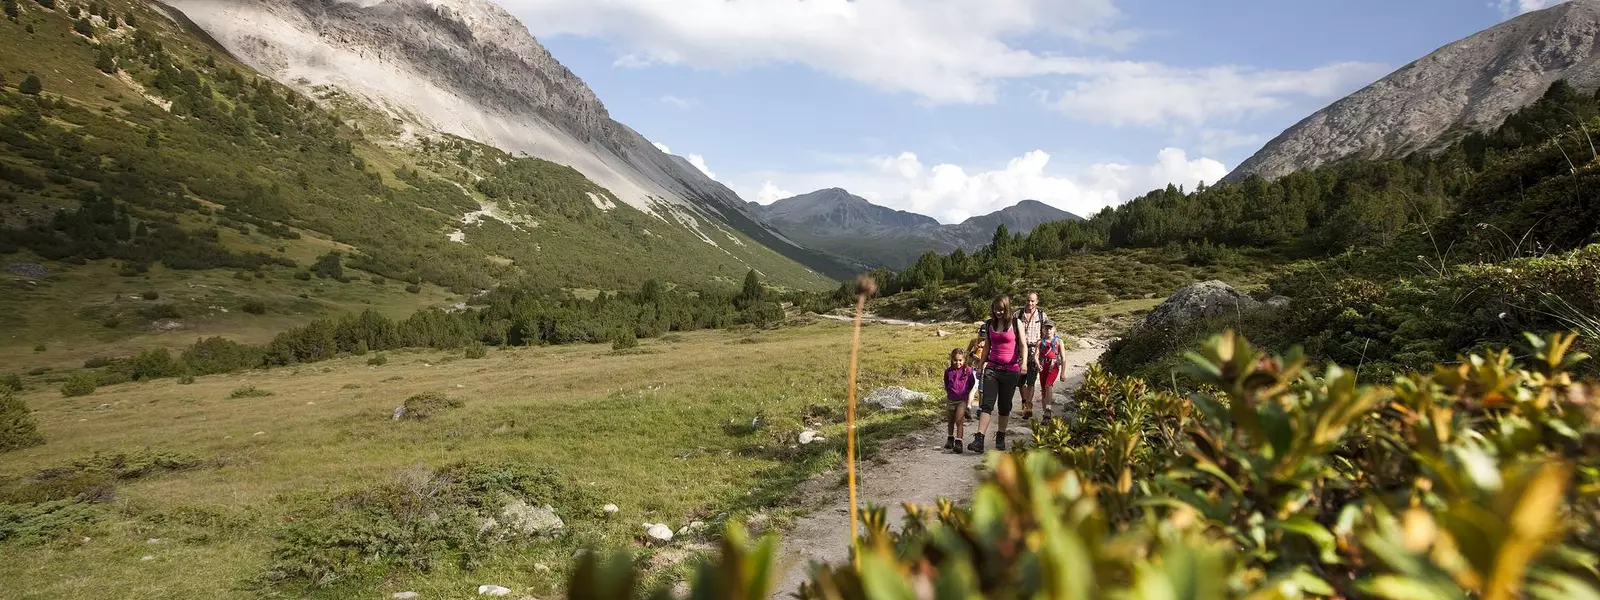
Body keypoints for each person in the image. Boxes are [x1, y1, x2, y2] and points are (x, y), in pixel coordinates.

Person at [968, 294, 1030, 453]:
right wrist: (981, 365)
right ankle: (979, 439)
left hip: (1010, 370)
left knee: (1004, 406)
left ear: (1007, 309)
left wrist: (1023, 363)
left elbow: (1023, 345)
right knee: (986, 404)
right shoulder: (990, 324)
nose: (998, 313)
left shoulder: (1016, 324)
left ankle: (1001, 435)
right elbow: (987, 347)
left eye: (1001, 310)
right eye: (995, 310)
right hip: (992, 369)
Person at [1014, 292, 1049, 421]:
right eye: (1028, 300)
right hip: (1019, 350)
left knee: (1031, 380)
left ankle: (1028, 406)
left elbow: (1046, 332)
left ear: (1037, 302)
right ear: (1025, 300)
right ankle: (1024, 401)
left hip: (1035, 350)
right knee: (1020, 380)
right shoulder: (1017, 315)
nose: (1030, 303)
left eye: (1033, 301)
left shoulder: (1042, 315)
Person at [942, 347, 976, 453]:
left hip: (962, 400)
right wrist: (950, 392)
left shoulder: (968, 371)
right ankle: (950, 438)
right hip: (951, 399)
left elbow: (972, 383)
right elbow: (946, 383)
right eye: (955, 360)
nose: (958, 362)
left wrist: (965, 392)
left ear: (964, 360)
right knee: (951, 420)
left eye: (960, 360)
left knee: (959, 420)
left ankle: (959, 441)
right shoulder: (948, 372)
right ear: (951, 360)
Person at [1036, 321, 1067, 421]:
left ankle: (1048, 409)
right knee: (1043, 390)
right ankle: (1046, 415)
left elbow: (1063, 358)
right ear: (1043, 330)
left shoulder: (1059, 342)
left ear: (1054, 330)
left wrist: (1062, 373)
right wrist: (1037, 363)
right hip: (1043, 366)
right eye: (1046, 328)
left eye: (1050, 328)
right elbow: (1036, 355)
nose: (1048, 330)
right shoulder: (1040, 342)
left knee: (1048, 384)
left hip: (1053, 366)